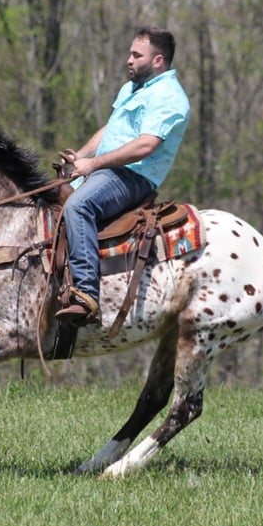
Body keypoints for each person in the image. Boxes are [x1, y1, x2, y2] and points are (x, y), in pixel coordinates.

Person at [56, 25, 191, 324]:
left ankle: (86, 296)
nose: (128, 60)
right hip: (105, 170)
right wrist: (81, 157)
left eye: (136, 55)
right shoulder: (132, 88)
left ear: (157, 60)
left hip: (133, 177)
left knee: (79, 206)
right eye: (130, 53)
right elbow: (110, 129)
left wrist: (92, 166)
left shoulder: (171, 97)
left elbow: (145, 145)